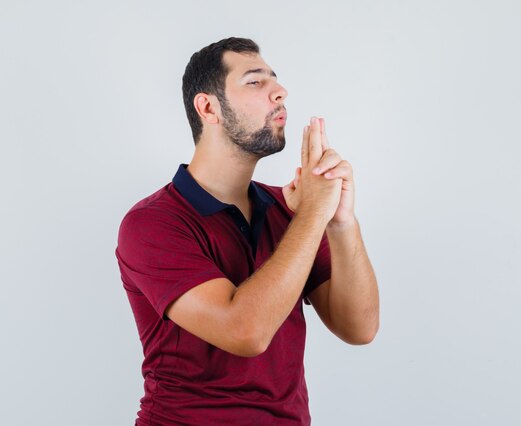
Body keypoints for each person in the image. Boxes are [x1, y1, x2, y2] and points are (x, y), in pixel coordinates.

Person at [115, 37, 379, 426]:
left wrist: (340, 220)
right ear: (208, 107)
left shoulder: (291, 212)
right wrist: (312, 215)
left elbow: (360, 327)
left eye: (275, 79)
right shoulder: (153, 223)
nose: (280, 92)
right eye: (255, 82)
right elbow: (245, 332)